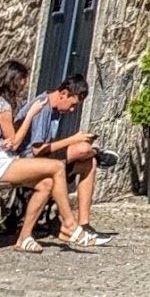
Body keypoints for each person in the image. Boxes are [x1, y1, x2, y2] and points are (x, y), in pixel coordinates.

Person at [0, 66, 82, 253]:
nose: (23, 87)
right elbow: (16, 143)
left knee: (46, 183)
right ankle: (69, 224)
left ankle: (24, 238)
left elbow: (4, 141)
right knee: (57, 167)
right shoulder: (2, 107)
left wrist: (5, 142)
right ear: (12, 81)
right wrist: (31, 114)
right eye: (21, 82)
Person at [17, 82, 108, 244]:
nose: (72, 110)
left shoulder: (55, 110)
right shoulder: (43, 108)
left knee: (89, 164)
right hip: (26, 160)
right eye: (72, 105)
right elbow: (37, 150)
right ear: (63, 93)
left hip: (45, 158)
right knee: (82, 149)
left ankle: (84, 224)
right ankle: (69, 225)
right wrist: (72, 139)